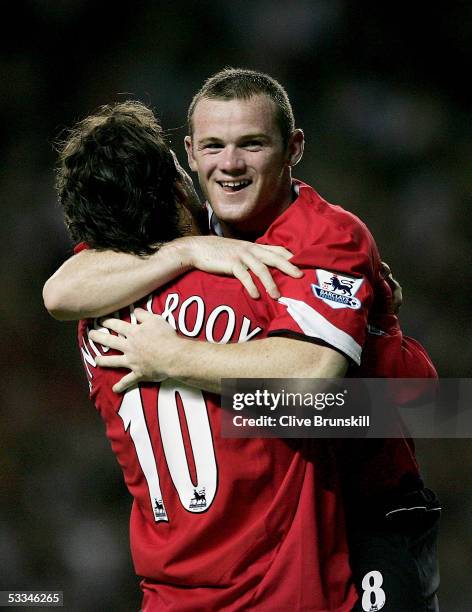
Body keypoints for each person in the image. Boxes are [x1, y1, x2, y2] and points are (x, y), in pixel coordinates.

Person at [44, 69, 440, 611]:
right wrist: (184, 254)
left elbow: (62, 293)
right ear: (186, 160)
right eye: (213, 146)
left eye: (251, 144)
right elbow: (59, 288)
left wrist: (175, 356)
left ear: (293, 148)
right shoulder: (202, 248)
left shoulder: (325, 236)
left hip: (370, 507)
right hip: (300, 509)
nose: (229, 164)